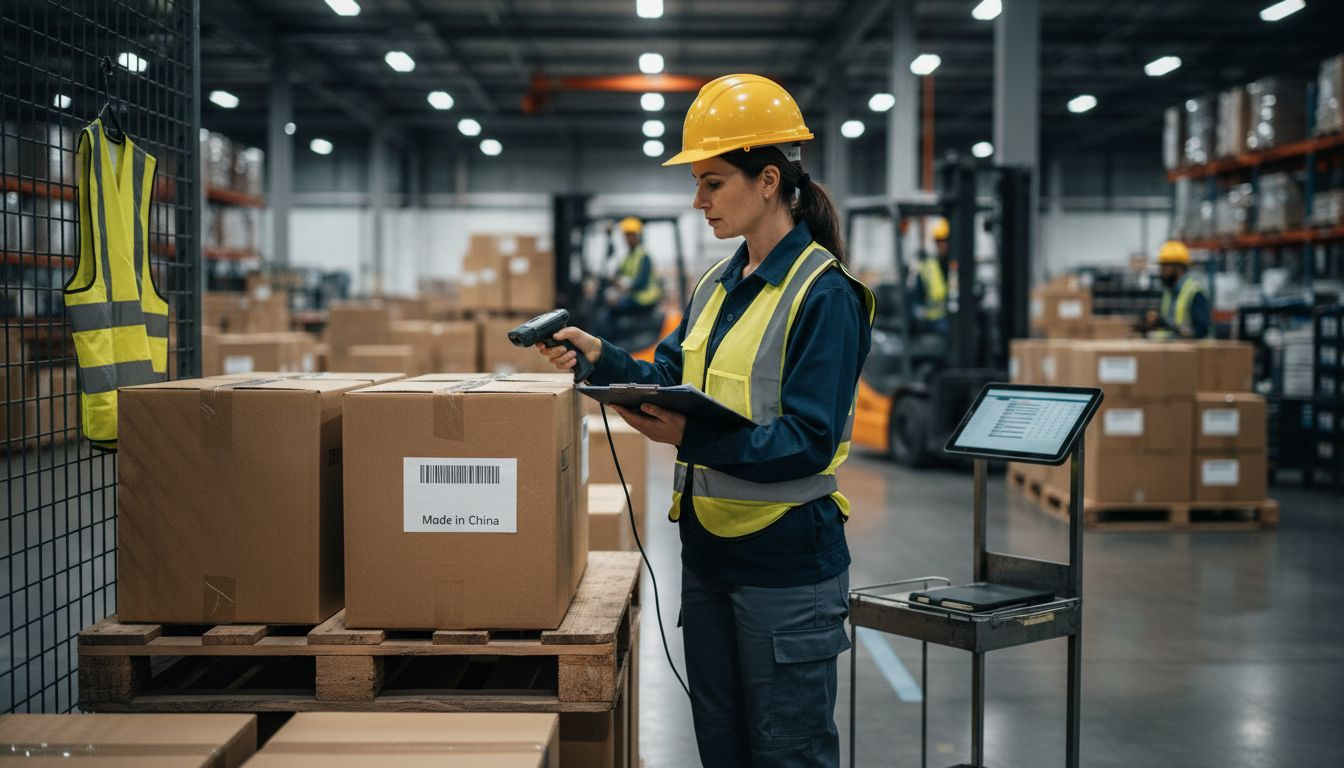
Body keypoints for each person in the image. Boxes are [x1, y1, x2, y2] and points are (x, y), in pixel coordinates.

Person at [535, 73, 874, 768]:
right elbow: (671, 379)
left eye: (713, 182)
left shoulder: (824, 295)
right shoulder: (714, 286)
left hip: (787, 564)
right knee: (721, 744)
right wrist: (598, 356)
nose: (699, 201)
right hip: (710, 557)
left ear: (769, 180)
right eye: (698, 183)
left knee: (787, 751)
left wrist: (694, 437)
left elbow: (810, 442)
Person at [1141, 240, 1212, 339]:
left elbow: (1201, 331)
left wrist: (1172, 328)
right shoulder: (1168, 293)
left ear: (1179, 268)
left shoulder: (1195, 293)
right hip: (1173, 352)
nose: (1161, 271)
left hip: (1195, 353)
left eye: (1165, 266)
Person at [608, 216, 664, 315]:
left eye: (632, 235)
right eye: (627, 235)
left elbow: (641, 282)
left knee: (612, 310)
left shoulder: (644, 256)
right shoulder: (628, 257)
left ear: (638, 236)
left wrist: (623, 284)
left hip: (645, 299)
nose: (629, 238)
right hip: (635, 297)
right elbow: (618, 273)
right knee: (610, 303)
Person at [913, 217, 950, 333]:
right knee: (947, 329)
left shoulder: (959, 266)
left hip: (955, 318)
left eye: (944, 240)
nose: (941, 244)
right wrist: (919, 313)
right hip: (933, 321)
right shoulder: (927, 268)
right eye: (938, 240)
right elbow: (916, 299)